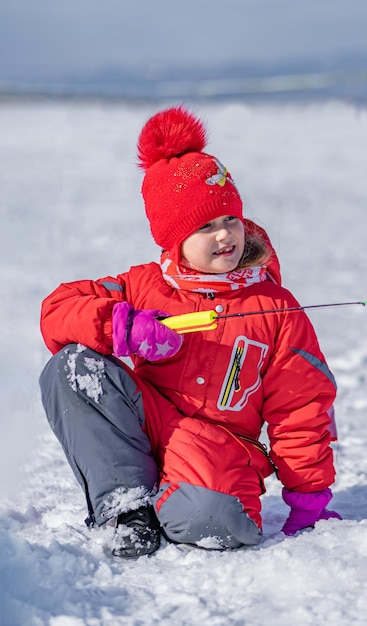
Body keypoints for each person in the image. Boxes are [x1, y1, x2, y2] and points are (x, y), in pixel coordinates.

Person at [39, 105, 341, 558]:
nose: (225, 236)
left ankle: (172, 495)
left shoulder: (276, 307)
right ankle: (127, 507)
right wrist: (121, 327)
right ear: (174, 238)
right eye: (205, 227)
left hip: (221, 448)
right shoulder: (142, 285)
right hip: (152, 419)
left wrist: (309, 499)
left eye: (230, 220)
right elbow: (57, 308)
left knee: (211, 524)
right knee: (73, 368)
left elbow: (301, 408)